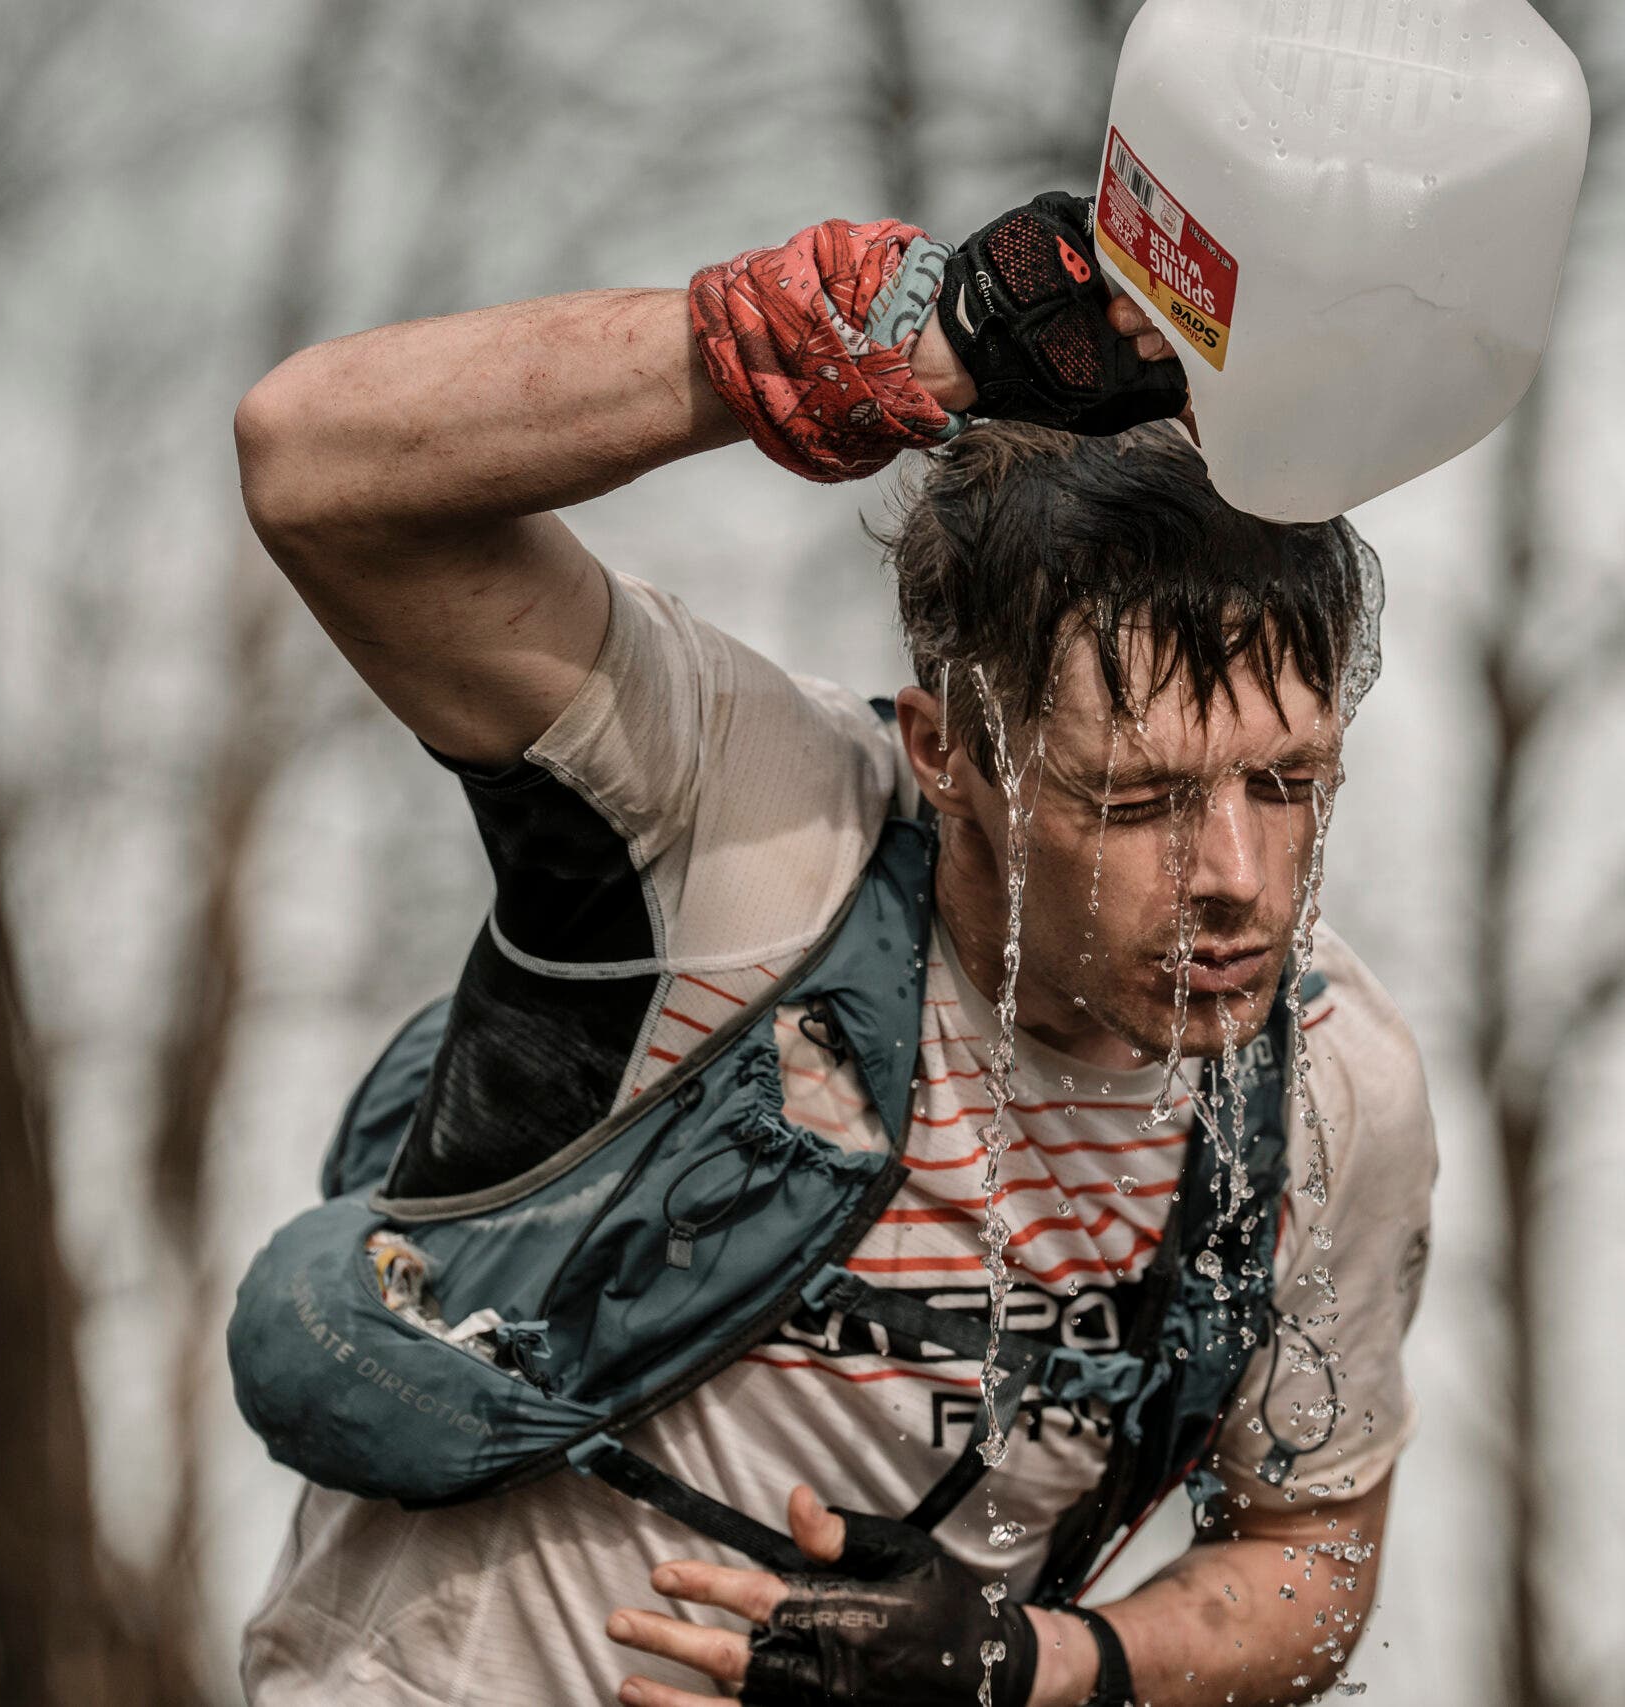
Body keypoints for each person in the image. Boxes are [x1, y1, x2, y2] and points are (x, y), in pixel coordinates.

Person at [229, 190, 1437, 1707]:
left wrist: (1026, 1662)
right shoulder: (744, 812)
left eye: (1291, 782)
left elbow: (1313, 1557)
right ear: (947, 753)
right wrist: (890, 346)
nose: (1240, 885)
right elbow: (309, 462)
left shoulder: (1330, 1089)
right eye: (1133, 802)